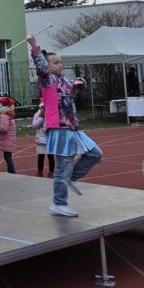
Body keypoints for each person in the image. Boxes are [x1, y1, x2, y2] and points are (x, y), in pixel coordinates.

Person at [27, 35, 102, 217]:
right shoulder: (48, 80)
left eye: (61, 62)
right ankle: (59, 203)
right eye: (56, 63)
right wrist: (34, 46)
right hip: (59, 128)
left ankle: (72, 177)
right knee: (63, 166)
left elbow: (75, 89)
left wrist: (80, 83)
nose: (60, 65)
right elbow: (42, 67)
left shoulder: (64, 81)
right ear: (48, 66)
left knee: (95, 154)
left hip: (73, 128)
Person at [0, 95, 17, 174]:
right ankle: (10, 171)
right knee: (7, 156)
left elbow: (4, 128)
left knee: (7, 157)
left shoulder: (4, 115)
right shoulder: (8, 113)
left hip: (7, 139)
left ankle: (12, 172)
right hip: (9, 138)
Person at [32, 101, 55, 177]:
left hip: (49, 138)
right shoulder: (37, 114)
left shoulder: (51, 114)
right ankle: (40, 172)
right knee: (41, 157)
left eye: (44, 108)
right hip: (41, 139)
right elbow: (34, 126)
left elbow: (52, 125)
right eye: (42, 108)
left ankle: (51, 172)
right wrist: (41, 118)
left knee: (51, 157)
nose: (43, 109)